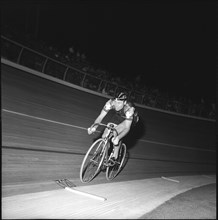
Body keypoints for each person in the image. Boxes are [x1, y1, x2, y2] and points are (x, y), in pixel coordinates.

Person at [88, 92, 139, 163]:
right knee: (104, 135)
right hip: (118, 115)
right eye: (116, 102)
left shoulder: (129, 109)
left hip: (130, 119)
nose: (116, 105)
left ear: (124, 103)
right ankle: (105, 151)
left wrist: (118, 138)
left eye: (119, 103)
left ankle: (115, 155)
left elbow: (127, 127)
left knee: (115, 132)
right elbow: (100, 116)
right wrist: (93, 127)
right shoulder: (110, 103)